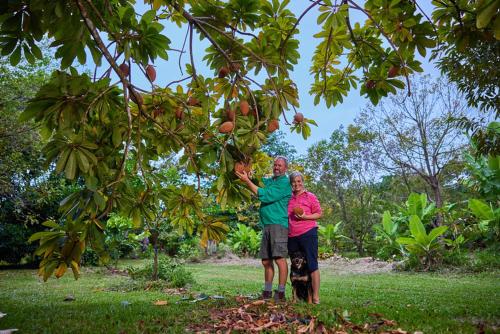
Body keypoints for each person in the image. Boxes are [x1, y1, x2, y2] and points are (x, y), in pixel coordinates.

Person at [235, 156, 291, 301]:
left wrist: (247, 181)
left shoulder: (285, 183)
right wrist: (248, 174)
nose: (276, 167)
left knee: (279, 258)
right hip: (267, 225)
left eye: (280, 165)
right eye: (275, 165)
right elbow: (258, 183)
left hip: (278, 224)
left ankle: (281, 293)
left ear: (285, 168)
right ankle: (267, 292)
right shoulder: (270, 181)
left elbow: (264, 196)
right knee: (266, 260)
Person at [287, 171, 322, 304]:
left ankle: (315, 297)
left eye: (299, 181)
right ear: (291, 184)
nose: (296, 184)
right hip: (292, 236)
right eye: (294, 182)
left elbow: (319, 214)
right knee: (296, 265)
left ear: (303, 182)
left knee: (312, 264)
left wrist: (305, 216)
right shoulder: (288, 198)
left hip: (308, 233)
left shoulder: (310, 196)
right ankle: (297, 296)